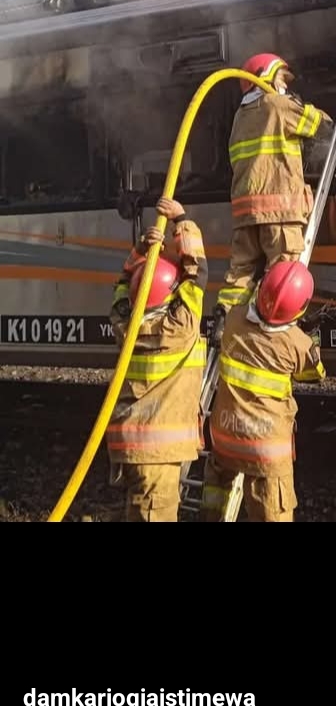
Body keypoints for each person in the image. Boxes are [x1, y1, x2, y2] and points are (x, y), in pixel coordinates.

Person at [105, 196, 208, 522]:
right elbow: (198, 272)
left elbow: (123, 287)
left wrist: (140, 251)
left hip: (130, 449)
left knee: (137, 510)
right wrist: (182, 221)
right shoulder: (179, 327)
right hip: (157, 453)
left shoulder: (126, 326)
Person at [201, 262, 325, 523]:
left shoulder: (233, 319)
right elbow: (315, 375)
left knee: (217, 485)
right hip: (265, 449)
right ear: (299, 309)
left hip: (225, 438)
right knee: (272, 506)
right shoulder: (297, 343)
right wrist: (310, 339)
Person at [217, 53, 332, 312]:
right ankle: (275, 333)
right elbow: (321, 125)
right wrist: (300, 105)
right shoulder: (277, 105)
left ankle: (226, 319)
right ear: (264, 78)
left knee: (241, 275)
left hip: (246, 215)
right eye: (282, 79)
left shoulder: (239, 117)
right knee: (284, 274)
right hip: (279, 210)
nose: (285, 86)